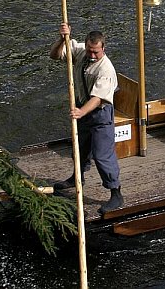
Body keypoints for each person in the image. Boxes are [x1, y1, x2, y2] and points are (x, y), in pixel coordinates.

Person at [49, 23, 123, 214]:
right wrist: (62, 38)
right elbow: (55, 55)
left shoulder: (106, 70)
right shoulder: (82, 52)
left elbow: (98, 99)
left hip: (99, 115)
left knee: (102, 155)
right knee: (79, 148)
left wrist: (81, 112)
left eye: (96, 52)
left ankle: (116, 193)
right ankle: (76, 178)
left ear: (103, 49)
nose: (92, 55)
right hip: (83, 110)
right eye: (90, 50)